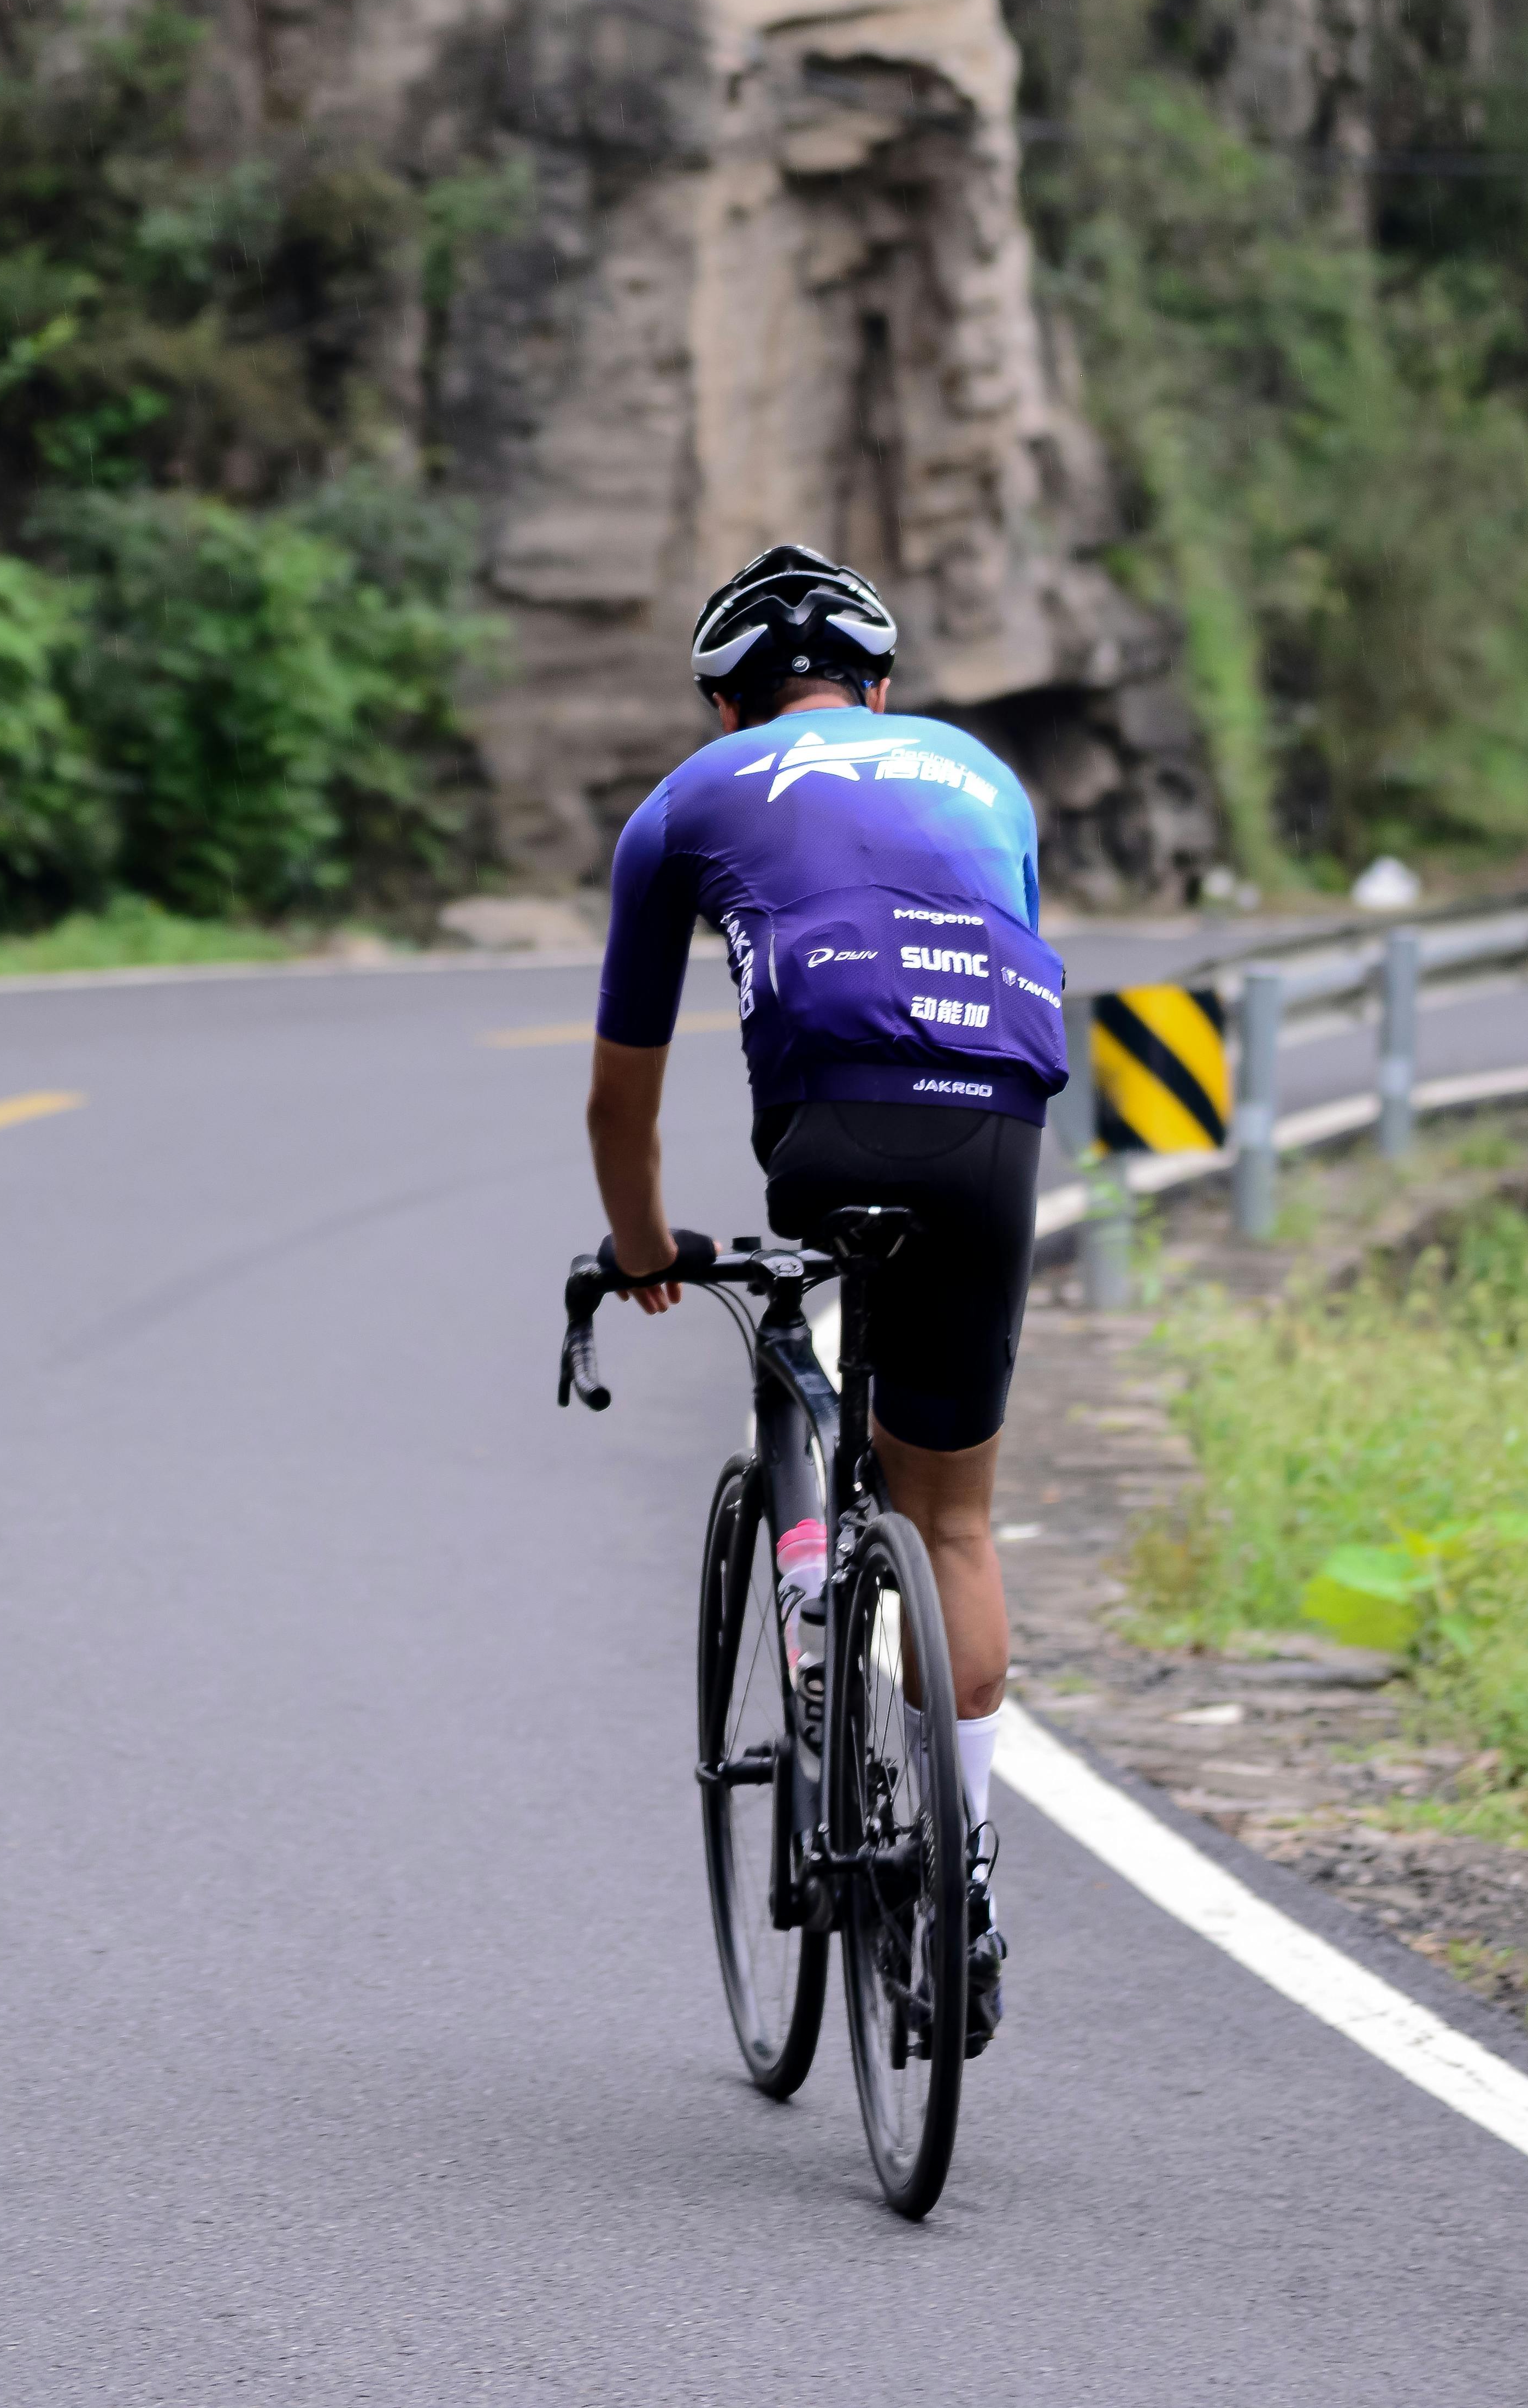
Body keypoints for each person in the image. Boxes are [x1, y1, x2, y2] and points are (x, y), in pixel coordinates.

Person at [584, 543, 1067, 2054]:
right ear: (879, 687)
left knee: (809, 1310)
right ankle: (966, 1873)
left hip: (828, 1133)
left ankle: (811, 1610)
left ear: (729, 704)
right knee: (957, 1519)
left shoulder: (688, 801)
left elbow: (622, 1103)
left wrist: (648, 1251)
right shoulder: (984, 774)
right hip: (995, 1129)